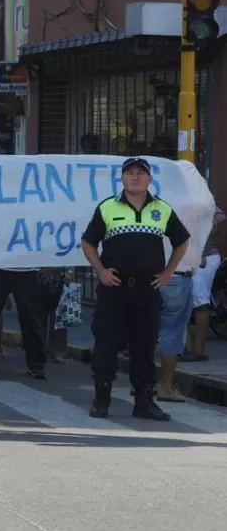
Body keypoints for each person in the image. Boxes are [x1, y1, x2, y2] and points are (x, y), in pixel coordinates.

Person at [81, 157, 190, 421]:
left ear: (149, 179)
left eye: (141, 173)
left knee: (144, 345)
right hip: (114, 289)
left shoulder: (162, 209)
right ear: (122, 178)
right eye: (130, 173)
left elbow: (182, 240)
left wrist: (167, 273)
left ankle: (144, 401)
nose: (135, 177)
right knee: (106, 344)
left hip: (146, 290)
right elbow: (88, 242)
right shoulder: (107, 207)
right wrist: (101, 271)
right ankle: (102, 398)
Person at [184, 205, 225, 361]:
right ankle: (187, 349)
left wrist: (209, 224)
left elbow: (221, 216)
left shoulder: (201, 198)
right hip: (184, 258)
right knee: (183, 303)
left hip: (205, 257)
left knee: (200, 301)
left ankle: (199, 351)